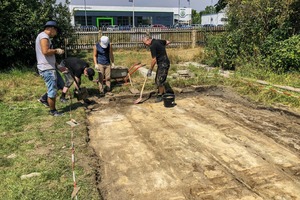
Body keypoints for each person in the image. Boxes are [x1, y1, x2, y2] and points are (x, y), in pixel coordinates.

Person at [35, 20, 65, 116]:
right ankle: (53, 111)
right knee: (52, 91)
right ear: (52, 29)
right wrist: (56, 50)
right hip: (47, 68)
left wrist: (58, 66)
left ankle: (44, 99)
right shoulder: (43, 36)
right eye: (56, 31)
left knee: (61, 85)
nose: (56, 34)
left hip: (51, 67)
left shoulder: (46, 37)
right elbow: (45, 51)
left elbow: (49, 56)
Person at [142, 35, 171, 103]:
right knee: (157, 80)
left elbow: (154, 60)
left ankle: (161, 96)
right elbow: (167, 42)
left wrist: (150, 70)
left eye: (144, 43)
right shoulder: (158, 41)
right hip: (163, 63)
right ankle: (162, 93)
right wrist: (161, 49)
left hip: (163, 64)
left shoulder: (152, 46)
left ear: (148, 40)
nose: (145, 45)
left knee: (159, 81)